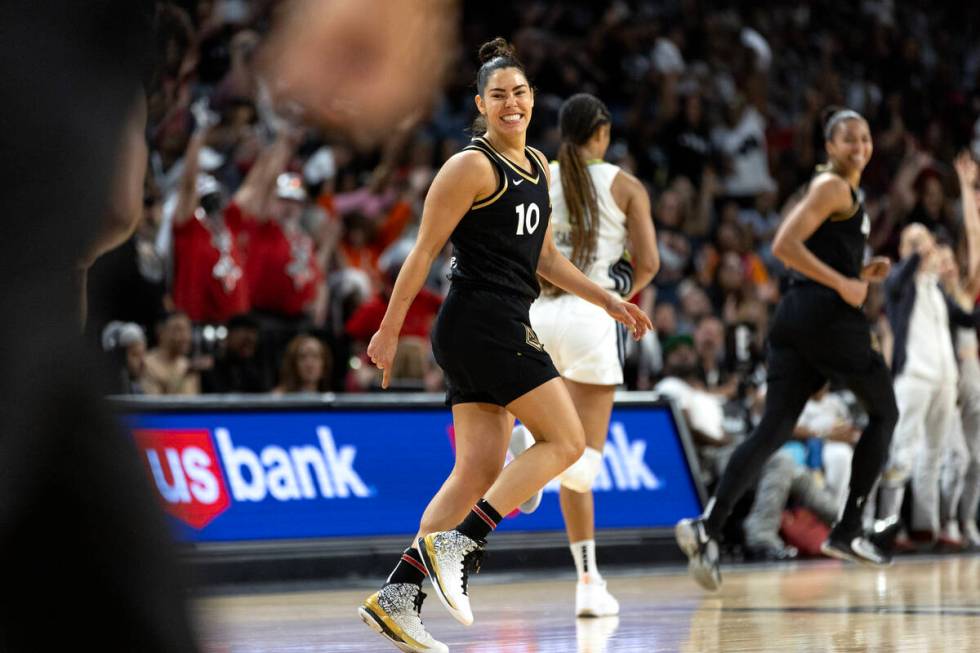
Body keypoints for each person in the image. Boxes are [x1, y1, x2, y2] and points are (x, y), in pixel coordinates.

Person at [356, 39, 651, 653]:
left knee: (478, 469)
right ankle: (462, 545)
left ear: (533, 99)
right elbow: (423, 251)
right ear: (481, 105)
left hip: (491, 323)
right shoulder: (471, 166)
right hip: (481, 321)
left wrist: (606, 299)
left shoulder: (540, 166)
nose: (511, 103)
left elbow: (543, 255)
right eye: (498, 95)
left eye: (519, 92)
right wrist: (389, 328)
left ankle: (399, 596)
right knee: (566, 441)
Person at [676, 107, 900, 591]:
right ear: (829, 147)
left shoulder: (840, 192)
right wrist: (846, 282)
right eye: (848, 139)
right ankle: (849, 528)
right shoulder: (832, 186)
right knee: (884, 411)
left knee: (773, 429)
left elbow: (812, 257)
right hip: (826, 318)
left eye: (865, 137)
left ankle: (706, 528)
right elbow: (782, 245)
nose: (859, 146)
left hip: (796, 319)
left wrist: (859, 274)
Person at [506, 93, 658, 617]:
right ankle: (536, 469)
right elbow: (651, 263)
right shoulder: (625, 184)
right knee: (583, 464)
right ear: (603, 132)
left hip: (539, 312)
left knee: (564, 450)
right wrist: (622, 287)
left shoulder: (539, 174)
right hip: (594, 318)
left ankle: (589, 580)